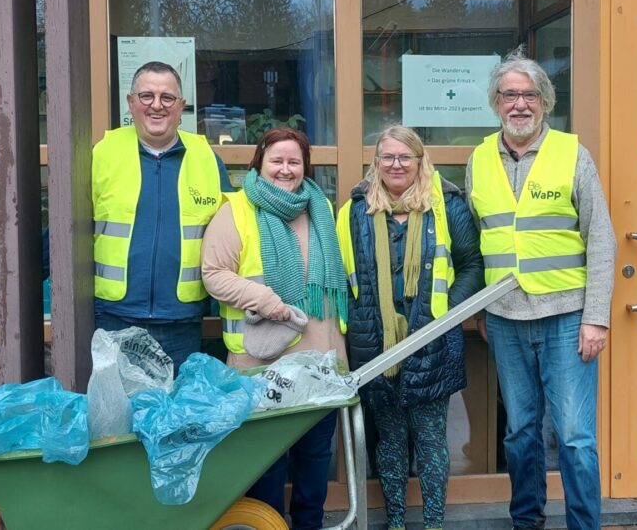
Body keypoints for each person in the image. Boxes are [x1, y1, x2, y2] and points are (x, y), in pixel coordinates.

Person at [464, 49, 615, 530]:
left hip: (567, 318)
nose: (520, 104)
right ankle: (526, 522)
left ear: (545, 102)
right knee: (520, 432)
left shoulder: (573, 154)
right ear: (496, 103)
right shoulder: (478, 159)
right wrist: (478, 310)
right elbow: (474, 239)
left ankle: (584, 525)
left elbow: (601, 239)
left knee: (573, 437)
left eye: (530, 94)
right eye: (510, 95)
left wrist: (596, 317)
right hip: (505, 319)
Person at [336, 125, 483, 530]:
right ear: (376, 162)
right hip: (374, 343)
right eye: (388, 157)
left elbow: (473, 265)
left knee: (432, 439)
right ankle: (397, 522)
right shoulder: (355, 210)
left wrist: (447, 315)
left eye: (405, 157)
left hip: (434, 341)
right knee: (390, 441)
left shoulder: (446, 206)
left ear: (421, 161)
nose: (396, 164)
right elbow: (340, 273)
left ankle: (434, 523)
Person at [201, 127, 348, 530]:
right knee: (265, 469)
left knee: (314, 466)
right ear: (259, 164)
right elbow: (213, 273)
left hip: (317, 365)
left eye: (294, 162)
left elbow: (332, 294)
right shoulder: (236, 210)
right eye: (277, 161)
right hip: (260, 366)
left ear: (305, 167)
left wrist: (341, 362)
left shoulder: (319, 209)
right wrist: (267, 301)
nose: (285, 169)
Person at [90, 61, 232, 367]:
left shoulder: (207, 160)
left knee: (176, 414)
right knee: (117, 415)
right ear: (131, 103)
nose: (157, 106)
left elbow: (233, 237)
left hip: (181, 322)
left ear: (181, 107)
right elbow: (71, 229)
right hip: (115, 317)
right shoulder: (102, 155)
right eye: (146, 96)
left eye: (167, 98)